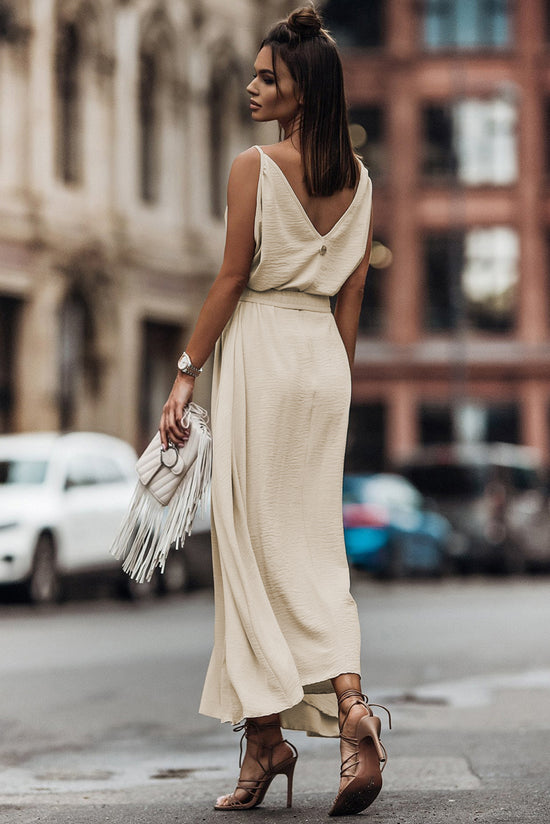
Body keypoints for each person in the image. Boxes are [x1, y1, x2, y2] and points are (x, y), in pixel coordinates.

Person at [159, 4, 390, 816]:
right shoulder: (361, 183)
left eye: (269, 78)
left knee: (251, 553)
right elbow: (354, 295)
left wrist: (187, 372)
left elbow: (230, 280)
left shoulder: (253, 167)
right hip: (323, 364)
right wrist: (337, 386)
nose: (252, 88)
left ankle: (278, 735)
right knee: (314, 547)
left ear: (302, 93)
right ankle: (327, 718)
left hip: (260, 355)